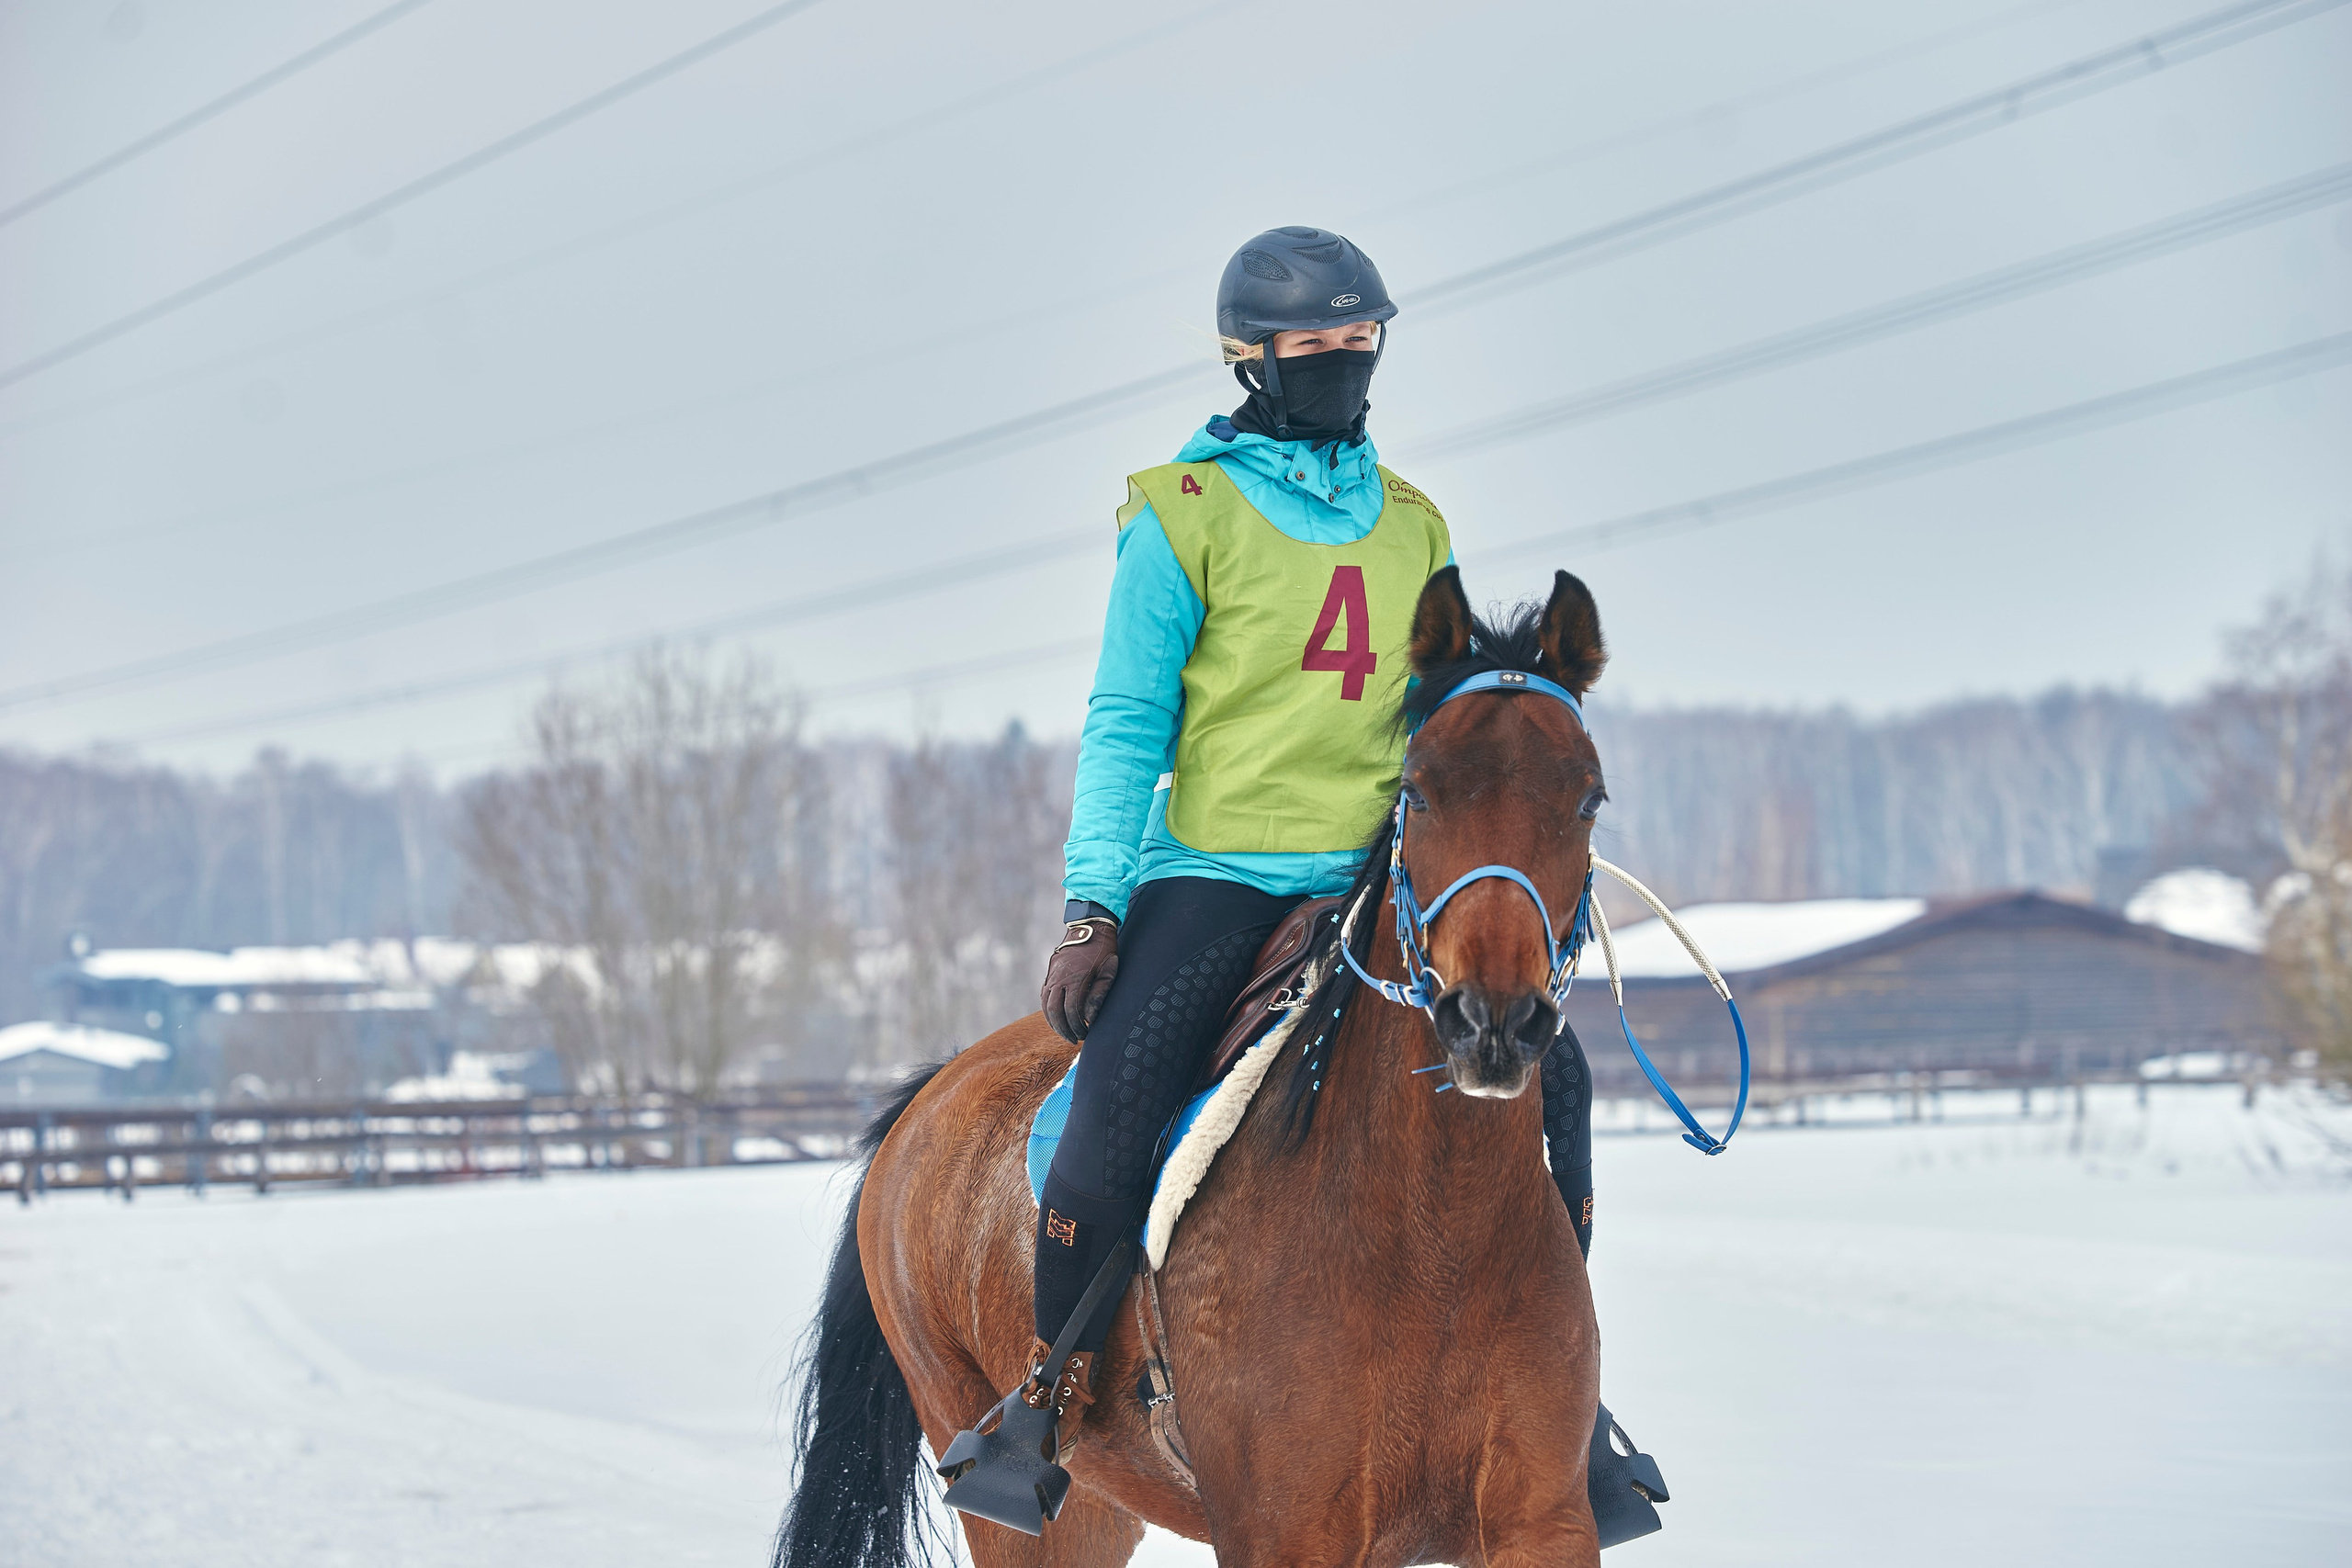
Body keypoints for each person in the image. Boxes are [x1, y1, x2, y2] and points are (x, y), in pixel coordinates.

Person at [950, 225, 1602, 1495]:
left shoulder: (1416, 523)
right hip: (1219, 872)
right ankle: (1051, 1395)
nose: (1344, 360)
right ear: (1251, 357)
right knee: (1113, 1112)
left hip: (1381, 877)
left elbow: (1446, 720)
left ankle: (1564, 1400)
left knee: (1554, 1079)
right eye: (1315, 342)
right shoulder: (1178, 513)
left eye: (1361, 338)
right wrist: (1093, 904)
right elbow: (1128, 720)